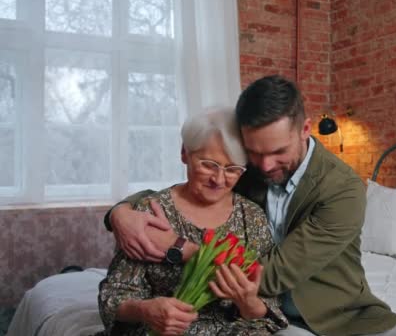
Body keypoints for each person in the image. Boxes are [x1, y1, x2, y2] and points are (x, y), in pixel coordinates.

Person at [106, 75, 396, 336]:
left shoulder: (344, 190)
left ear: (305, 130)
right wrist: (120, 212)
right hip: (263, 317)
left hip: (336, 316)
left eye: (278, 151)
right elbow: (189, 186)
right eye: (254, 152)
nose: (264, 165)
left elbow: (271, 275)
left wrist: (179, 248)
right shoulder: (246, 168)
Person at [96, 108, 287, 336]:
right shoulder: (152, 211)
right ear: (184, 153)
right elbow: (113, 296)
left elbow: (265, 307)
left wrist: (248, 303)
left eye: (232, 169)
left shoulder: (252, 217)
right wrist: (146, 310)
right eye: (208, 164)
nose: (219, 180)